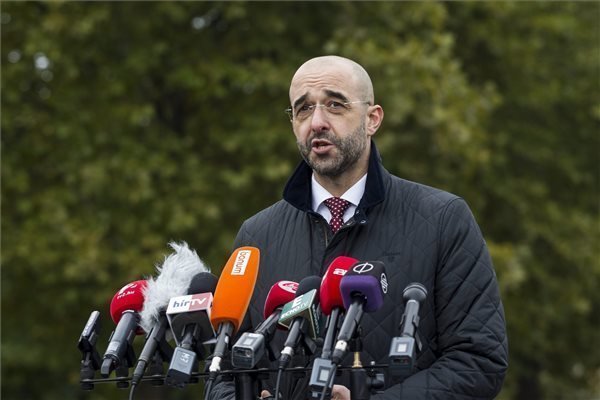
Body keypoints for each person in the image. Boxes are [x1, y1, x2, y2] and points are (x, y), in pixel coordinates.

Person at [212, 55, 508, 399]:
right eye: (303, 109)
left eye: (335, 105)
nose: (317, 122)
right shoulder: (256, 236)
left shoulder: (443, 219)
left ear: (372, 119)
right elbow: (222, 373)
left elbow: (478, 362)